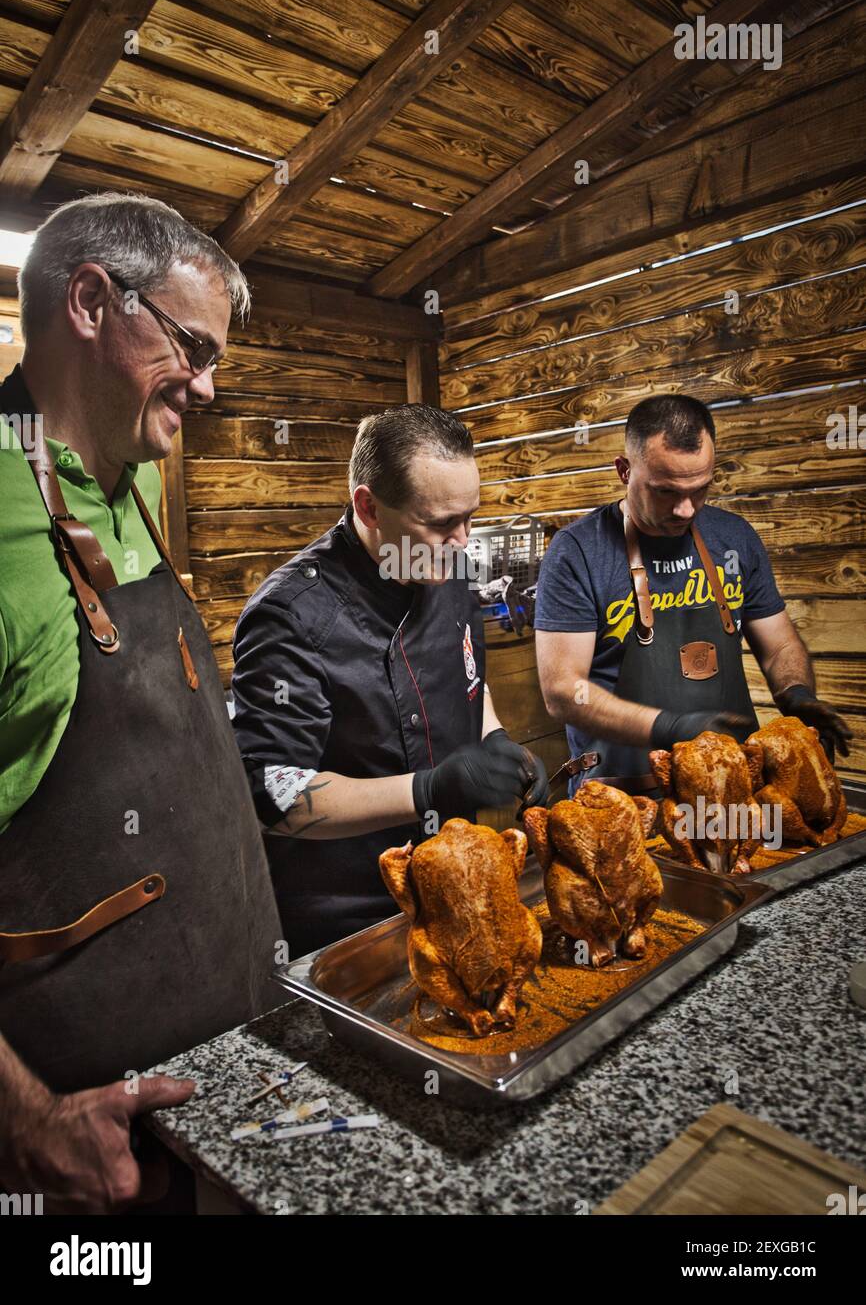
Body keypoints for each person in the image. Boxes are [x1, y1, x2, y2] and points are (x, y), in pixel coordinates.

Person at [0, 193, 281, 1212]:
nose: (207, 387)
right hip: (99, 1163)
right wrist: (29, 1123)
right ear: (88, 301)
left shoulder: (127, 486)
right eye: (192, 349)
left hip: (230, 1106)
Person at [231, 405, 549, 955]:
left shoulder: (449, 568)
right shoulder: (292, 615)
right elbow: (274, 796)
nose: (463, 540)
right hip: (348, 918)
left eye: (469, 516)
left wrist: (496, 741)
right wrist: (426, 789)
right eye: (441, 523)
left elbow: (468, 676)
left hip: (454, 877)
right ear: (368, 506)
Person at [534, 393, 851, 790]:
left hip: (730, 784)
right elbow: (563, 692)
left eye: (700, 489)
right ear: (624, 471)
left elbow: (780, 647)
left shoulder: (734, 538)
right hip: (625, 794)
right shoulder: (579, 552)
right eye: (666, 491)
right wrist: (670, 726)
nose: (686, 509)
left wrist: (796, 692)